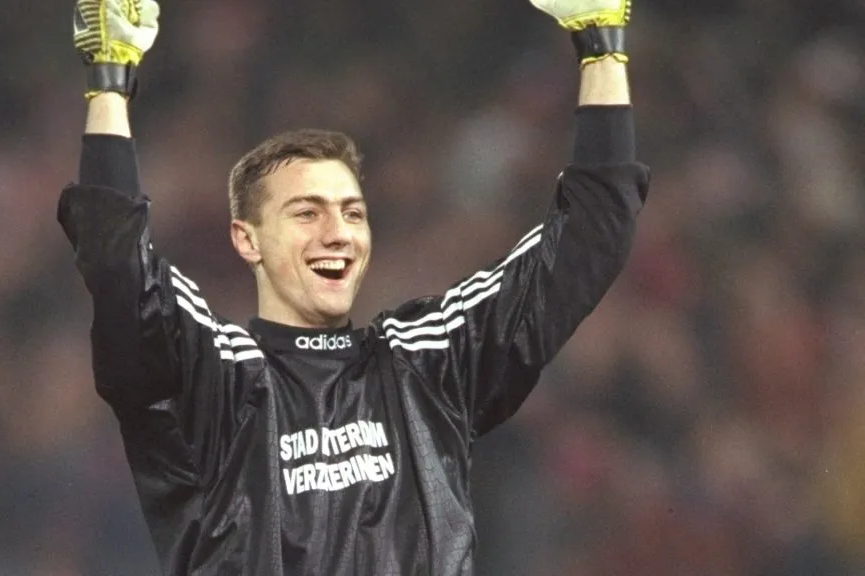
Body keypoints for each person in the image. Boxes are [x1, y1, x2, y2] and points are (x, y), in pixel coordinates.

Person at [58, 0, 650, 574]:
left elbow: (591, 236)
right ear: (247, 240)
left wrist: (600, 42)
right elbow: (119, 266)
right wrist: (110, 82)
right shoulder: (216, 376)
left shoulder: (425, 364)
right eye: (307, 213)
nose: (337, 233)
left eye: (352, 213)